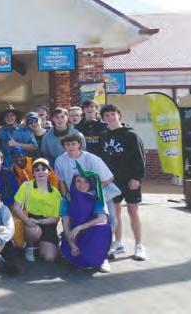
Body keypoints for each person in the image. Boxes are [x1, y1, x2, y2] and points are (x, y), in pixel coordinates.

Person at [99, 104, 147, 261]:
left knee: (133, 210)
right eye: (106, 115)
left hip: (130, 179)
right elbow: (102, 159)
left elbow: (140, 157)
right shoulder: (103, 136)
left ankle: (139, 245)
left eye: (113, 114)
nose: (110, 118)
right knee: (115, 213)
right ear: (103, 119)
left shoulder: (131, 135)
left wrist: (136, 178)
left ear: (119, 115)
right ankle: (118, 242)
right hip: (113, 180)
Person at [12, 158, 62, 263]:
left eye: (43, 169)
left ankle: (40, 245)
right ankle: (30, 246)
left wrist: (40, 221)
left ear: (49, 172)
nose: (40, 172)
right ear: (33, 173)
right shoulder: (26, 186)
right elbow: (16, 207)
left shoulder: (55, 193)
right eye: (37, 170)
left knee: (49, 258)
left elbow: (56, 218)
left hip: (48, 223)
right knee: (32, 229)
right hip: (30, 221)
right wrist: (26, 220)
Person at [61, 173, 112, 272]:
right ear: (74, 182)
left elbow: (102, 219)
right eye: (78, 181)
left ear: (91, 183)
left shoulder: (97, 197)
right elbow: (65, 223)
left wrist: (79, 227)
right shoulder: (68, 198)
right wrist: (72, 245)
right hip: (73, 236)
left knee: (103, 228)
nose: (82, 185)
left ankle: (103, 258)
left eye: (86, 182)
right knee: (79, 260)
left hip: (91, 234)